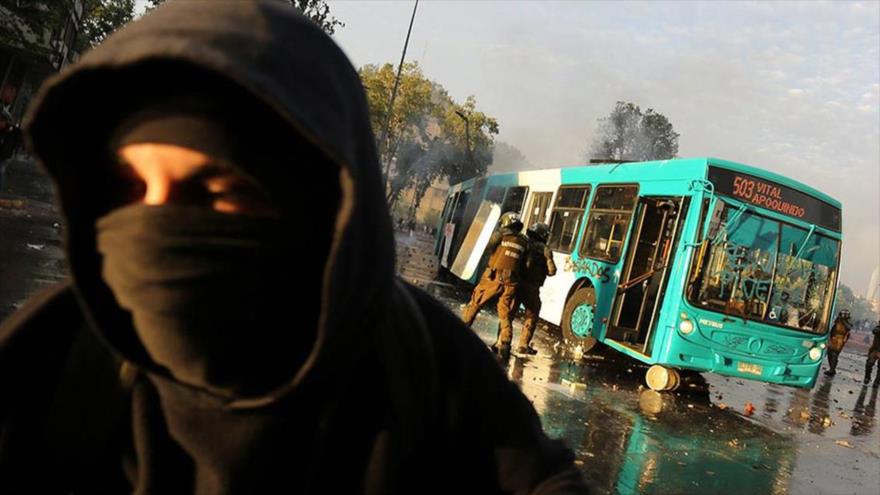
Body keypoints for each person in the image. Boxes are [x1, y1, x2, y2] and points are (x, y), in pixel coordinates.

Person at [0, 2, 589, 493]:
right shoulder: (53, 353)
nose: (158, 221)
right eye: (129, 188)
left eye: (215, 189)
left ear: (315, 206)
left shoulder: (422, 364)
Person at [461, 211, 529, 359]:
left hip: (493, 278)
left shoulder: (499, 235)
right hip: (511, 282)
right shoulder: (524, 242)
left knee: (475, 303)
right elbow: (526, 264)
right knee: (505, 314)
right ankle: (505, 344)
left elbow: (487, 247)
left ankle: (461, 331)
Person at [513, 222, 557, 355]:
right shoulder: (545, 250)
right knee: (531, 316)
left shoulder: (524, 243)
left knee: (508, 314)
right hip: (532, 288)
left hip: (517, 284)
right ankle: (523, 345)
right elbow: (552, 271)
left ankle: (502, 341)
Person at [825, 309, 852, 376]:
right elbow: (834, 327)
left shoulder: (848, 321)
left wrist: (843, 320)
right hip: (834, 338)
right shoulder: (838, 319)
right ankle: (832, 368)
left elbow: (849, 327)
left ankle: (832, 370)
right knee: (829, 353)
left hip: (840, 339)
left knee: (834, 354)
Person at [864, 320, 880, 386]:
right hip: (875, 349)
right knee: (869, 364)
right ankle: (867, 377)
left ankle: (877, 381)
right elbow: (874, 331)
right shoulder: (878, 328)